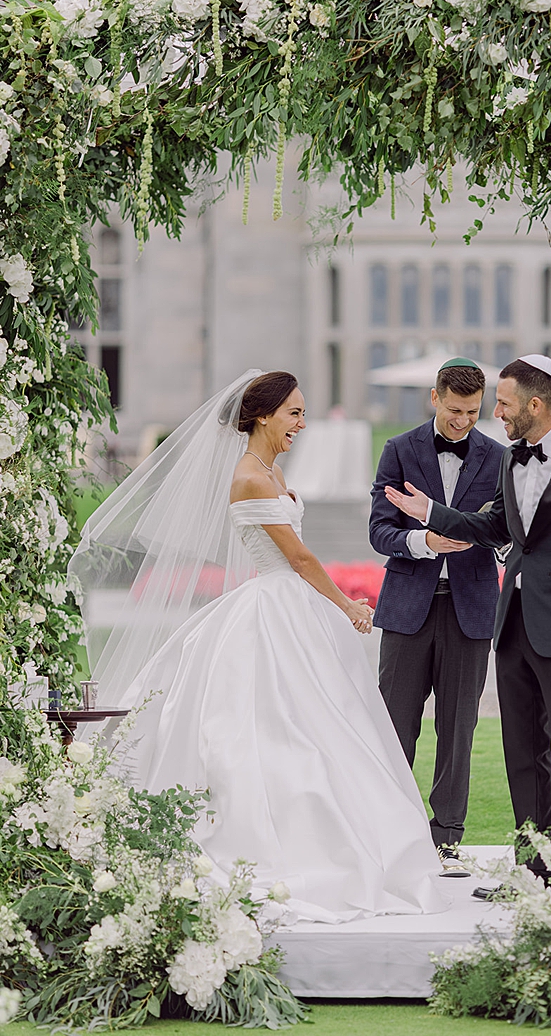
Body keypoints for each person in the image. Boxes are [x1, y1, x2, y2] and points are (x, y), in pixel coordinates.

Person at [69, 370, 446, 923]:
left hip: (289, 605)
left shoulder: (271, 470)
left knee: (324, 723)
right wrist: (348, 606)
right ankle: (278, 843)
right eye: (293, 412)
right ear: (263, 415)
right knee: (270, 727)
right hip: (274, 605)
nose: (301, 421)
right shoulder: (249, 477)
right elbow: (298, 559)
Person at [383, 355, 551, 887]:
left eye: (501, 404)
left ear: (533, 404)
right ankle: (532, 868)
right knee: (521, 749)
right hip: (511, 624)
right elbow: (493, 526)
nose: (494, 414)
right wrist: (430, 512)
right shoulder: (511, 460)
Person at [369, 359, 505, 877]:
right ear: (434, 398)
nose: (463, 421)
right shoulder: (399, 451)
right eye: (454, 411)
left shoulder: (498, 458)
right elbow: (379, 531)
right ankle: (389, 832)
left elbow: (506, 529)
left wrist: (489, 536)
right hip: (407, 610)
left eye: (472, 412)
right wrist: (422, 541)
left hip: (470, 611)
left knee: (458, 727)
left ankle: (446, 840)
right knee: (395, 727)